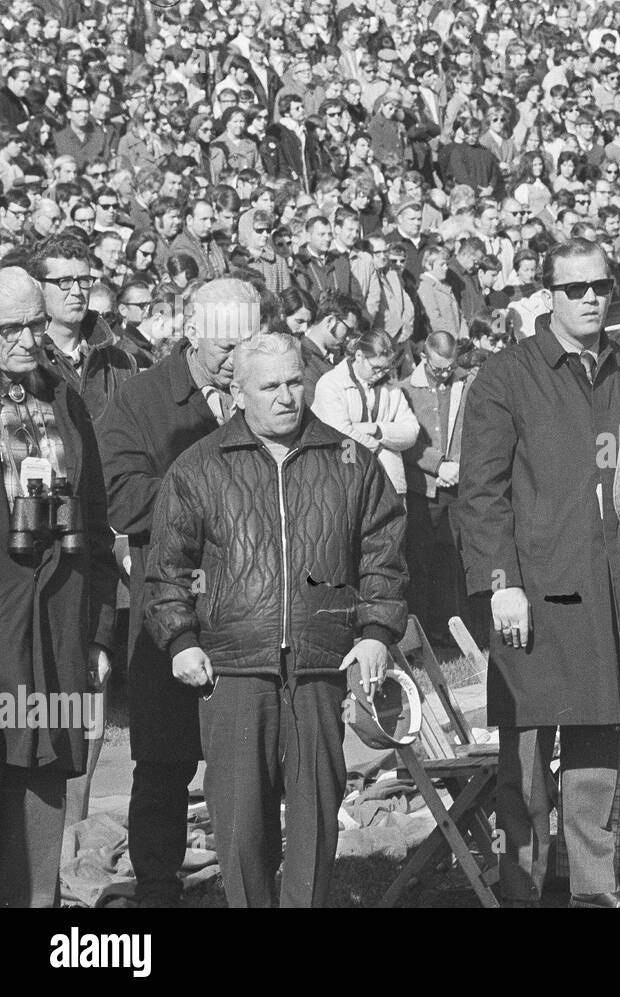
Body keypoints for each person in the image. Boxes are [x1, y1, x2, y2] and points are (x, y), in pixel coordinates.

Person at [453, 238, 620, 908]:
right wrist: (503, 585)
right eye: (574, 288)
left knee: (597, 746)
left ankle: (592, 885)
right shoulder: (504, 376)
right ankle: (521, 888)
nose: (589, 298)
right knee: (525, 758)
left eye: (599, 287)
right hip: (531, 592)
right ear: (546, 294)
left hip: (613, 587)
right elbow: (481, 493)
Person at [143, 332, 406, 908]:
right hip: (234, 670)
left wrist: (375, 633)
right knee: (239, 821)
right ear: (237, 392)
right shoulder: (199, 466)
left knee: (315, 814)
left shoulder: (349, 458)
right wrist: (182, 638)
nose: (288, 396)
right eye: (270, 386)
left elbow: (382, 556)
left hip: (321, 663)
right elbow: (167, 568)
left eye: (295, 381)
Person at [98, 278, 259, 907]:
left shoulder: (265, 388)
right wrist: (202, 492)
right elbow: (120, 497)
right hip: (169, 610)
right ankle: (158, 891)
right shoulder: (140, 400)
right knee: (164, 765)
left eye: (247, 343)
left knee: (250, 759)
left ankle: (250, 883)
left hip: (248, 606)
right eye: (225, 346)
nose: (235, 359)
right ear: (190, 332)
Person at [0, 267, 116, 907]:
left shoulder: (64, 398)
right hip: (2, 624)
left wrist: (96, 631)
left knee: (47, 768)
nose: (26, 339)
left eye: (34, 325)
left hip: (58, 627)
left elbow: (95, 520)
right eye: (9, 328)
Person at [400, 330, 477, 645]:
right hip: (423, 490)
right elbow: (405, 441)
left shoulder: (466, 383)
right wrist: (437, 465)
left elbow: (475, 427)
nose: (445, 373)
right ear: (423, 357)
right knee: (420, 562)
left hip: (456, 487)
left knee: (451, 562)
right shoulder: (403, 390)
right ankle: (419, 633)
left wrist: (457, 465)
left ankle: (447, 630)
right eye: (438, 368)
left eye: (450, 367)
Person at [27, 234, 137, 422]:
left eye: (84, 280)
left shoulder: (121, 363)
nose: (77, 292)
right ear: (38, 287)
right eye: (65, 282)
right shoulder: (24, 359)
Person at [311, 330, 419, 498]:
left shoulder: (392, 389)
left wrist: (377, 430)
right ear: (359, 356)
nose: (381, 374)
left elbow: (411, 431)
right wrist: (379, 447)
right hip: (344, 480)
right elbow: (338, 435)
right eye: (376, 368)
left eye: (386, 368)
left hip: (389, 483)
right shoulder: (331, 384)